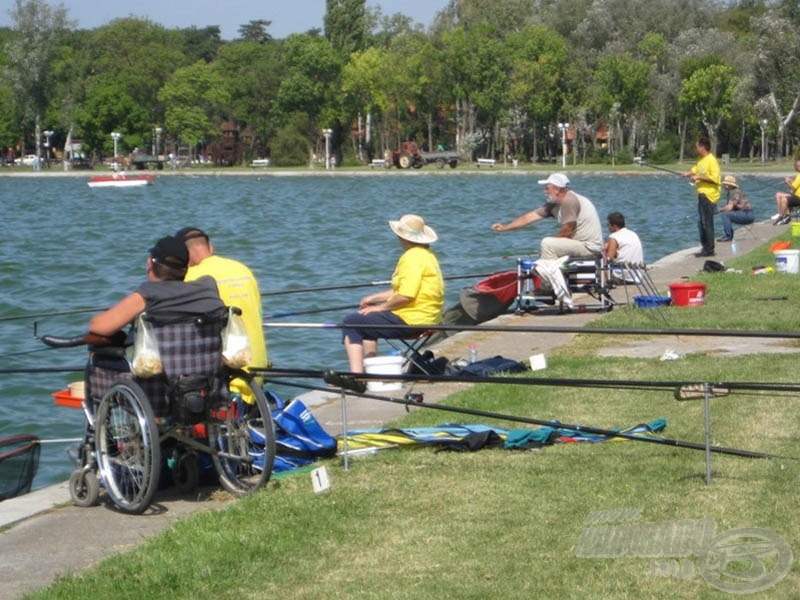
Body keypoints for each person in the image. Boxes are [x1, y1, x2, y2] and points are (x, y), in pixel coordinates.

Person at [342, 214, 444, 373]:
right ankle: (370, 370)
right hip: (429, 318)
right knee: (366, 318)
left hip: (413, 321)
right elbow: (403, 290)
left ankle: (356, 375)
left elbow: (405, 296)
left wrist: (379, 308)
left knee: (351, 322)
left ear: (402, 237)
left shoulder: (411, 258)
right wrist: (373, 299)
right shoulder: (427, 255)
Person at [175, 227, 268, 399]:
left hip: (228, 378)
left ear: (184, 255)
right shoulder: (242, 269)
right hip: (257, 372)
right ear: (211, 247)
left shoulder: (191, 277)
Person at [491, 173, 603, 260]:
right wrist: (505, 228)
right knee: (548, 244)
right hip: (578, 243)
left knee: (547, 243)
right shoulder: (554, 203)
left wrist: (550, 245)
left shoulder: (569, 201)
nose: (545, 191)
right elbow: (529, 217)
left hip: (589, 247)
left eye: (547, 188)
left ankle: (548, 282)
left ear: (557, 189)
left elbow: (568, 230)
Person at [682, 138, 721, 257]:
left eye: (697, 147)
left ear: (702, 147)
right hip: (701, 194)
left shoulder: (711, 160)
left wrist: (698, 177)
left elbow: (714, 178)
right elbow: (696, 170)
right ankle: (705, 247)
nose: (696, 149)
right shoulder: (701, 161)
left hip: (708, 195)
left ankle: (709, 250)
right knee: (701, 223)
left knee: (707, 223)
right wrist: (688, 173)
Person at [717, 175, 754, 241]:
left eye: (725, 184)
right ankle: (729, 235)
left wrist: (719, 210)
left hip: (747, 215)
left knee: (725, 215)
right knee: (725, 214)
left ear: (729, 185)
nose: (724, 186)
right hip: (747, 214)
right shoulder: (733, 192)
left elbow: (729, 207)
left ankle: (728, 236)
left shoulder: (734, 192)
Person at [773, 159, 800, 225]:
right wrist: (791, 181)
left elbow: (793, 188)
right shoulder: (798, 175)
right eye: (798, 166)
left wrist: (788, 182)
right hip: (795, 195)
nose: (799, 167)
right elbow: (795, 186)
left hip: (798, 197)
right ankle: (780, 214)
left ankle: (784, 216)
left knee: (784, 199)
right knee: (778, 194)